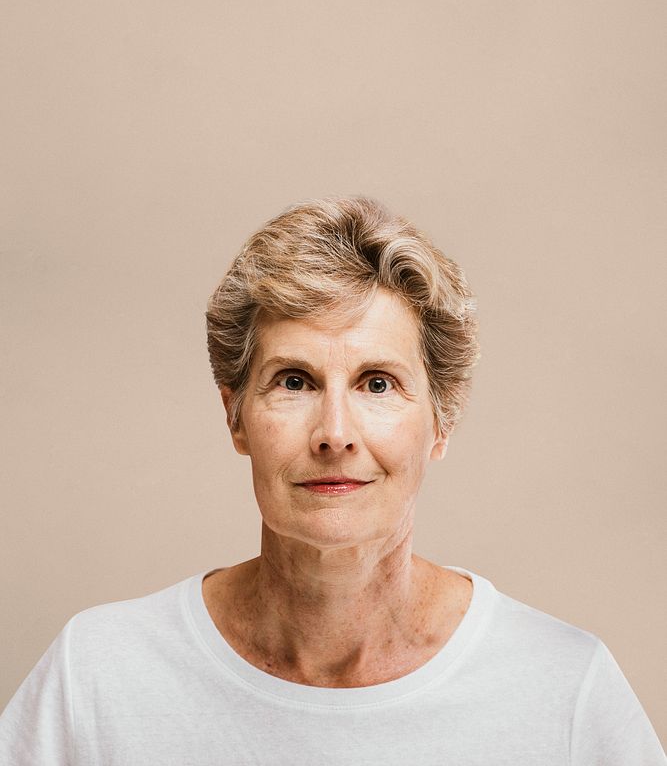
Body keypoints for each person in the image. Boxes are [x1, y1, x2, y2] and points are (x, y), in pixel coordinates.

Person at [1, 195, 664, 765]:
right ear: (235, 418)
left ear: (441, 422)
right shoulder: (99, 675)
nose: (334, 432)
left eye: (378, 383)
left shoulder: (561, 690)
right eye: (294, 381)